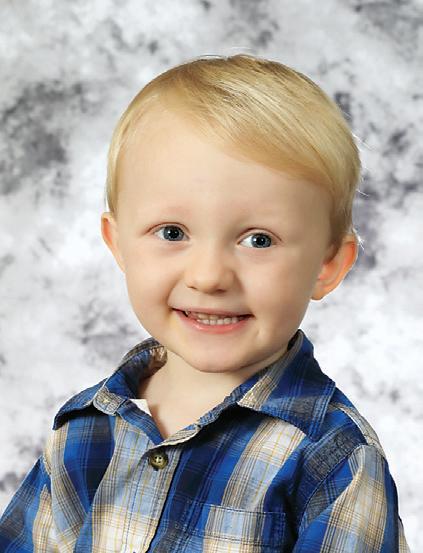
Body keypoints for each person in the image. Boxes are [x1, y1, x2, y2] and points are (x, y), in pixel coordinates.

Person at [0, 54, 409, 552]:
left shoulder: (333, 460)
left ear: (328, 265)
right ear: (118, 244)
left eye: (259, 240)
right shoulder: (85, 432)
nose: (209, 276)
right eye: (172, 232)